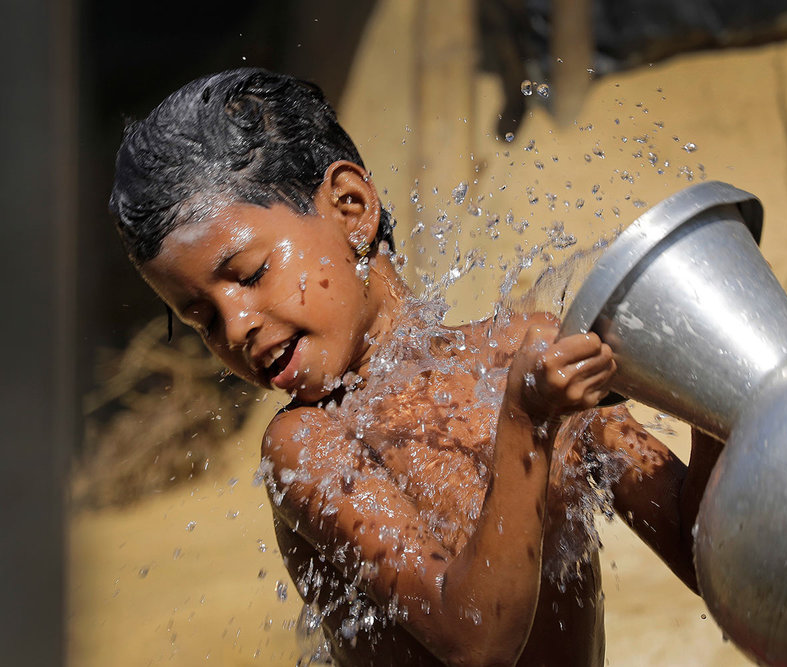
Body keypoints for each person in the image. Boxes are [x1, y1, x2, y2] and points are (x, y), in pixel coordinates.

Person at [110, 67, 723, 666]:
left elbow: (704, 560)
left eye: (249, 275)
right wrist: (524, 424)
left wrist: (708, 390)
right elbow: (475, 642)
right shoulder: (310, 446)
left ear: (351, 208)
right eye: (203, 320)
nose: (235, 326)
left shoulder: (523, 353)